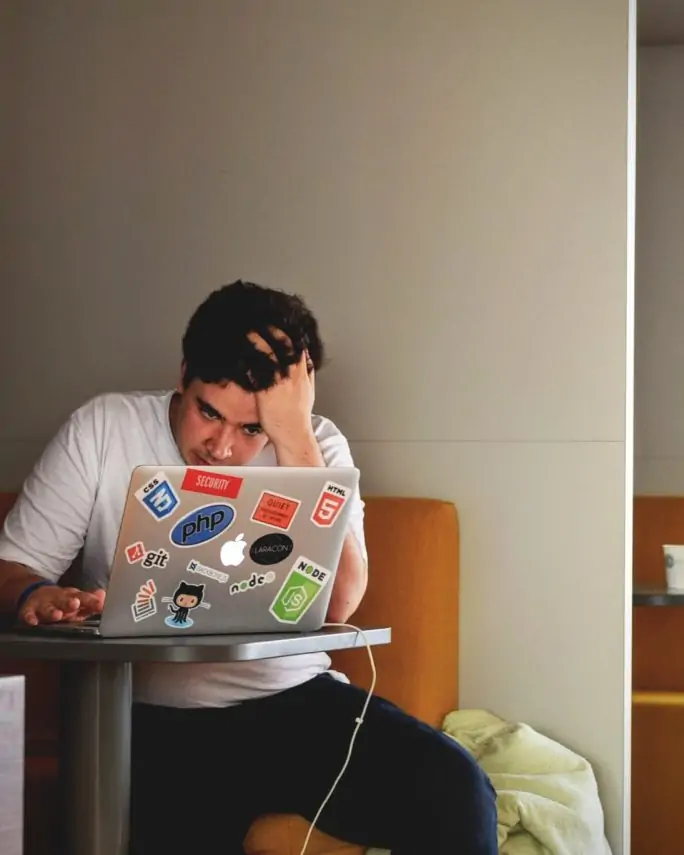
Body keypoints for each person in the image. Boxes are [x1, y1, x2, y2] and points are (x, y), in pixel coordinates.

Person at [0, 280, 498, 854]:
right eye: (207, 413)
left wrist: (293, 438)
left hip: (292, 705)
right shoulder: (103, 428)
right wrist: (33, 593)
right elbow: (14, 566)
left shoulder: (316, 446)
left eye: (251, 428)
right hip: (143, 719)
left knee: (456, 789)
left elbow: (339, 604)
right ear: (183, 374)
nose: (222, 447)